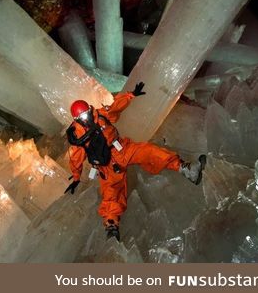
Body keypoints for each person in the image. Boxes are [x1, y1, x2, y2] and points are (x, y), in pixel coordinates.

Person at [64, 82, 206, 241]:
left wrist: (131, 95)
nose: (87, 116)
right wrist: (76, 177)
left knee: (151, 152)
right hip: (106, 165)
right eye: (83, 116)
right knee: (112, 194)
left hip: (122, 149)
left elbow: (115, 107)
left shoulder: (100, 114)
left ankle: (185, 169)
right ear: (77, 118)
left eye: (87, 112)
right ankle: (111, 225)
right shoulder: (77, 135)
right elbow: (76, 157)